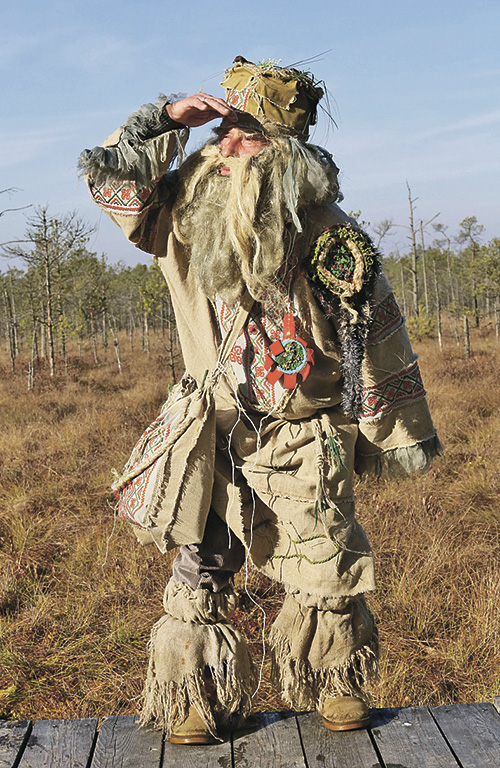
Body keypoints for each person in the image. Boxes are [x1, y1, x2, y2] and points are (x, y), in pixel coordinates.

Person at [79, 57, 441, 745]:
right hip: (207, 430)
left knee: (325, 561)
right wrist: (163, 121)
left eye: (246, 132)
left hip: (302, 431)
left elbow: (375, 330)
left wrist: (385, 429)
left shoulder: (329, 229)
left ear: (284, 149)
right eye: (225, 129)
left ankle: (335, 683)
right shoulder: (182, 210)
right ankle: (195, 695)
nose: (227, 144)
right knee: (201, 565)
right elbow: (110, 180)